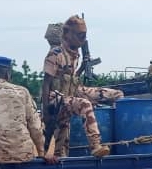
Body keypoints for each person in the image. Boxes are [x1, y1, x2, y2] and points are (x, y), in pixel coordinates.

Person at [41, 15, 123, 158]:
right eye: (80, 35)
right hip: (56, 98)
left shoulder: (75, 54)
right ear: (67, 34)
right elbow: (46, 83)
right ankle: (95, 145)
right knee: (84, 105)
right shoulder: (55, 54)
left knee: (116, 94)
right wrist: (46, 112)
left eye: (84, 35)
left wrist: (83, 67)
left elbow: (72, 78)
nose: (83, 38)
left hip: (73, 91)